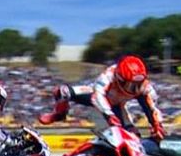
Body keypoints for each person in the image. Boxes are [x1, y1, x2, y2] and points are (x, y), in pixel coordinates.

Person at [38, 55, 166, 139]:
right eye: (130, 84)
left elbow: (152, 108)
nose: (134, 89)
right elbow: (97, 96)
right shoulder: (108, 75)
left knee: (133, 135)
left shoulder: (145, 86)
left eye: (138, 84)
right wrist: (110, 116)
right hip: (97, 96)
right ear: (119, 78)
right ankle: (59, 114)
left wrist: (157, 124)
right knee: (62, 91)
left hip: (118, 106)